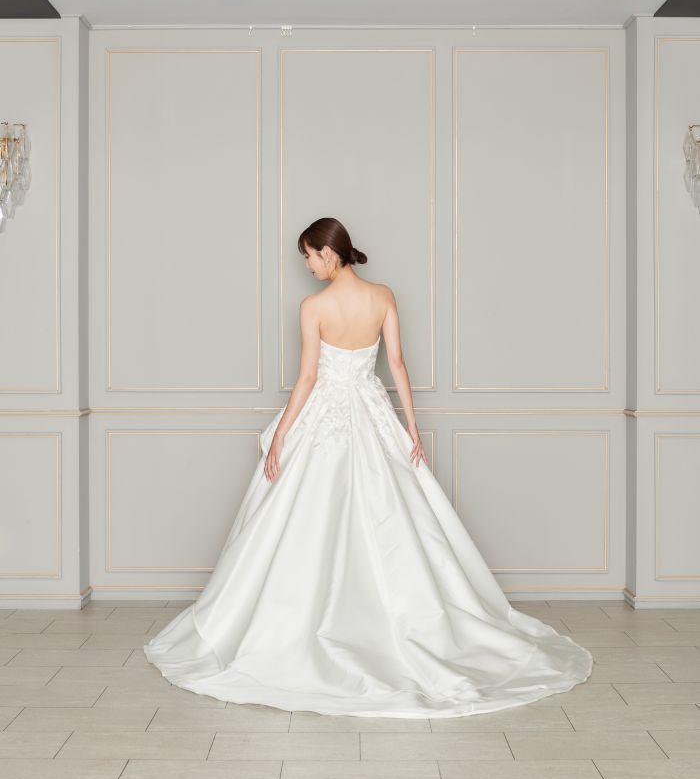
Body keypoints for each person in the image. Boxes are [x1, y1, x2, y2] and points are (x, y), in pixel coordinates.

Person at [143, 217, 593, 718]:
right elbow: (396, 364)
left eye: (309, 256)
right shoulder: (382, 296)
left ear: (328, 253)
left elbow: (307, 378)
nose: (307, 266)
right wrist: (411, 427)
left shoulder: (313, 308)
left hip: (327, 417)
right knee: (390, 518)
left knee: (305, 519)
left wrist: (283, 435)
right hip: (373, 412)